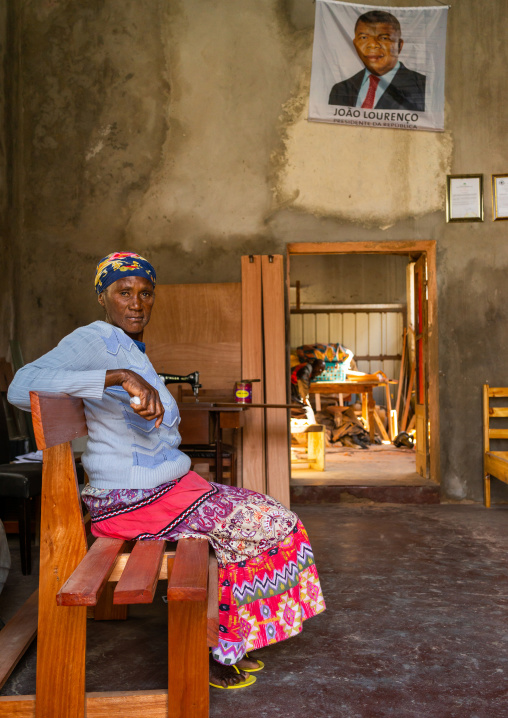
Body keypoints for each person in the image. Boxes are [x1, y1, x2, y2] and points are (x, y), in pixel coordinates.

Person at [7, 252, 325, 690]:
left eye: (145, 293)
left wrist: (131, 376)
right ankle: (216, 645)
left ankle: (220, 642)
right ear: (103, 296)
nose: (136, 303)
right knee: (272, 522)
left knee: (267, 512)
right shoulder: (96, 339)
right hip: (133, 500)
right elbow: (20, 386)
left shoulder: (131, 348)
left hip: (165, 490)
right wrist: (118, 376)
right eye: (124, 292)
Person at [329, 10, 426, 112]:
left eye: (384, 38)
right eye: (364, 37)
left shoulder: (423, 87)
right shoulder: (340, 90)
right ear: (355, 44)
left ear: (399, 45)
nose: (372, 44)